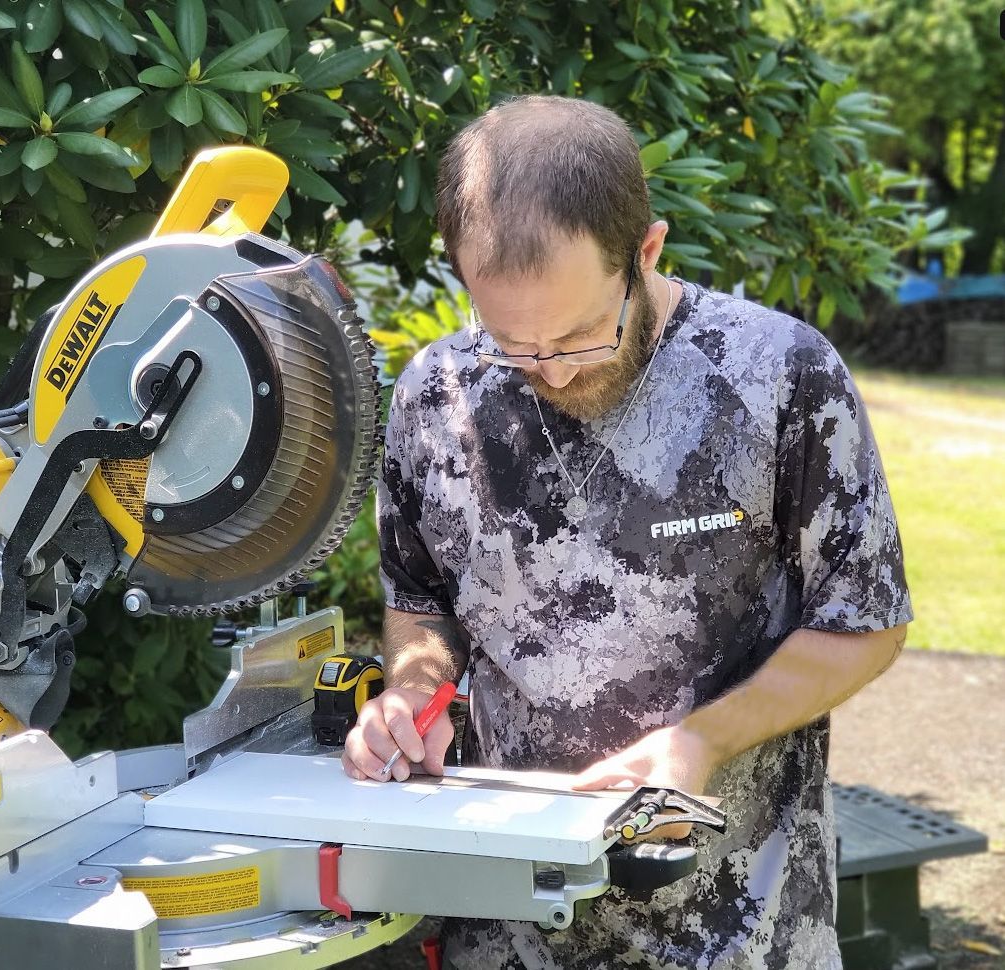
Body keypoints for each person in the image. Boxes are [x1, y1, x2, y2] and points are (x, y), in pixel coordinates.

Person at [341, 95, 911, 970]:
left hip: (739, 928)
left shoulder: (778, 378)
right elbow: (422, 599)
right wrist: (412, 696)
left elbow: (863, 623)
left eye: (577, 336)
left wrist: (700, 740)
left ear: (645, 250)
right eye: (511, 344)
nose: (549, 372)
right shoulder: (434, 393)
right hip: (501, 928)